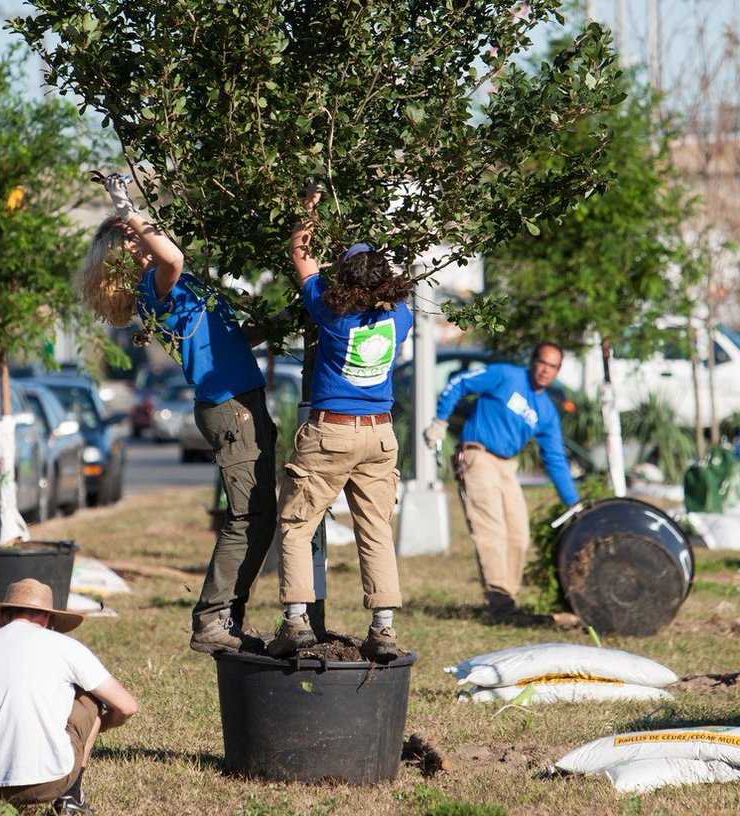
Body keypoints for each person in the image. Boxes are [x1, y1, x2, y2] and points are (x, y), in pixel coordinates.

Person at [79, 171, 277, 654]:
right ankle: (211, 621)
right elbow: (174, 253)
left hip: (239, 399)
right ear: (124, 257)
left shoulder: (167, 290)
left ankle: (227, 619)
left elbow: (219, 341)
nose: (148, 242)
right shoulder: (155, 284)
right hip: (230, 408)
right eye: (136, 241)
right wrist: (127, 207)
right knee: (249, 518)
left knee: (261, 517)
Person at [268, 192, 413, 663]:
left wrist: (307, 210)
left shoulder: (330, 313)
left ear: (345, 279)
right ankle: (384, 629)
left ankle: (295, 622)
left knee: (294, 523)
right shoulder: (402, 318)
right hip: (380, 434)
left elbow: (301, 255)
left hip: (332, 433)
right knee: (375, 530)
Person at [423, 343, 579, 622]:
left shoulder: (546, 410)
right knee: (491, 530)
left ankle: (506, 600)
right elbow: (460, 383)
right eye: (542, 362)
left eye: (553, 366)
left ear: (557, 371)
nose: (545, 370)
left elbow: (555, 458)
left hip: (508, 466)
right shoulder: (505, 376)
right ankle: (499, 605)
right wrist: (440, 421)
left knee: (519, 534)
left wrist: (573, 503)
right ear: (532, 361)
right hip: (477, 455)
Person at [0, 577, 137, 816]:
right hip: (51, 780)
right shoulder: (64, 646)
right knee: (90, 697)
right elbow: (127, 706)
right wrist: (92, 731)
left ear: (3, 616)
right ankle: (71, 797)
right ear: (49, 618)